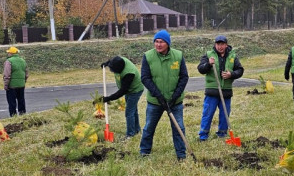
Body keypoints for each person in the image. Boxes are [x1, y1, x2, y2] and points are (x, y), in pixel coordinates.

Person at [140, 30, 189, 160]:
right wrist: (159, 96)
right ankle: (144, 152)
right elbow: (145, 78)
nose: (158, 44)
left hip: (175, 102)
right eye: (156, 41)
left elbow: (184, 77)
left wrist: (175, 96)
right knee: (148, 127)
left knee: (179, 128)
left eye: (161, 42)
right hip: (155, 102)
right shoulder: (148, 56)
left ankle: (181, 155)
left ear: (167, 43)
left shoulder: (178, 56)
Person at [196, 35, 244, 141]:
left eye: (222, 44)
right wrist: (208, 64)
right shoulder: (209, 55)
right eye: (218, 44)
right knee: (208, 113)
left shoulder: (233, 56)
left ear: (226, 45)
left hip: (226, 91)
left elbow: (240, 70)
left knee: (225, 114)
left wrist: (231, 74)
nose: (220, 46)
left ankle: (222, 134)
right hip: (212, 91)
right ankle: (203, 136)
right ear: (215, 44)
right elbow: (200, 69)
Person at [101, 56, 145, 138]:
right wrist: (107, 63)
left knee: (129, 112)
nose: (112, 71)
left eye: (113, 70)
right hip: (129, 90)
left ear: (120, 69)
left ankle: (130, 134)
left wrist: (108, 98)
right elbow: (112, 60)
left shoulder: (129, 73)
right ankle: (137, 130)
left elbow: (122, 91)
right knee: (133, 110)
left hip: (135, 91)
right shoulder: (119, 60)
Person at [3, 46, 28, 117]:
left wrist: (6, 85)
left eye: (9, 52)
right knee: (21, 100)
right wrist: (24, 81)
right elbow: (26, 74)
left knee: (12, 102)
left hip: (12, 86)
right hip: (21, 85)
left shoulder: (9, 61)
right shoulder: (23, 60)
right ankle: (23, 114)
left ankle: (13, 116)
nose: (8, 54)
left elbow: (7, 75)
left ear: (11, 53)